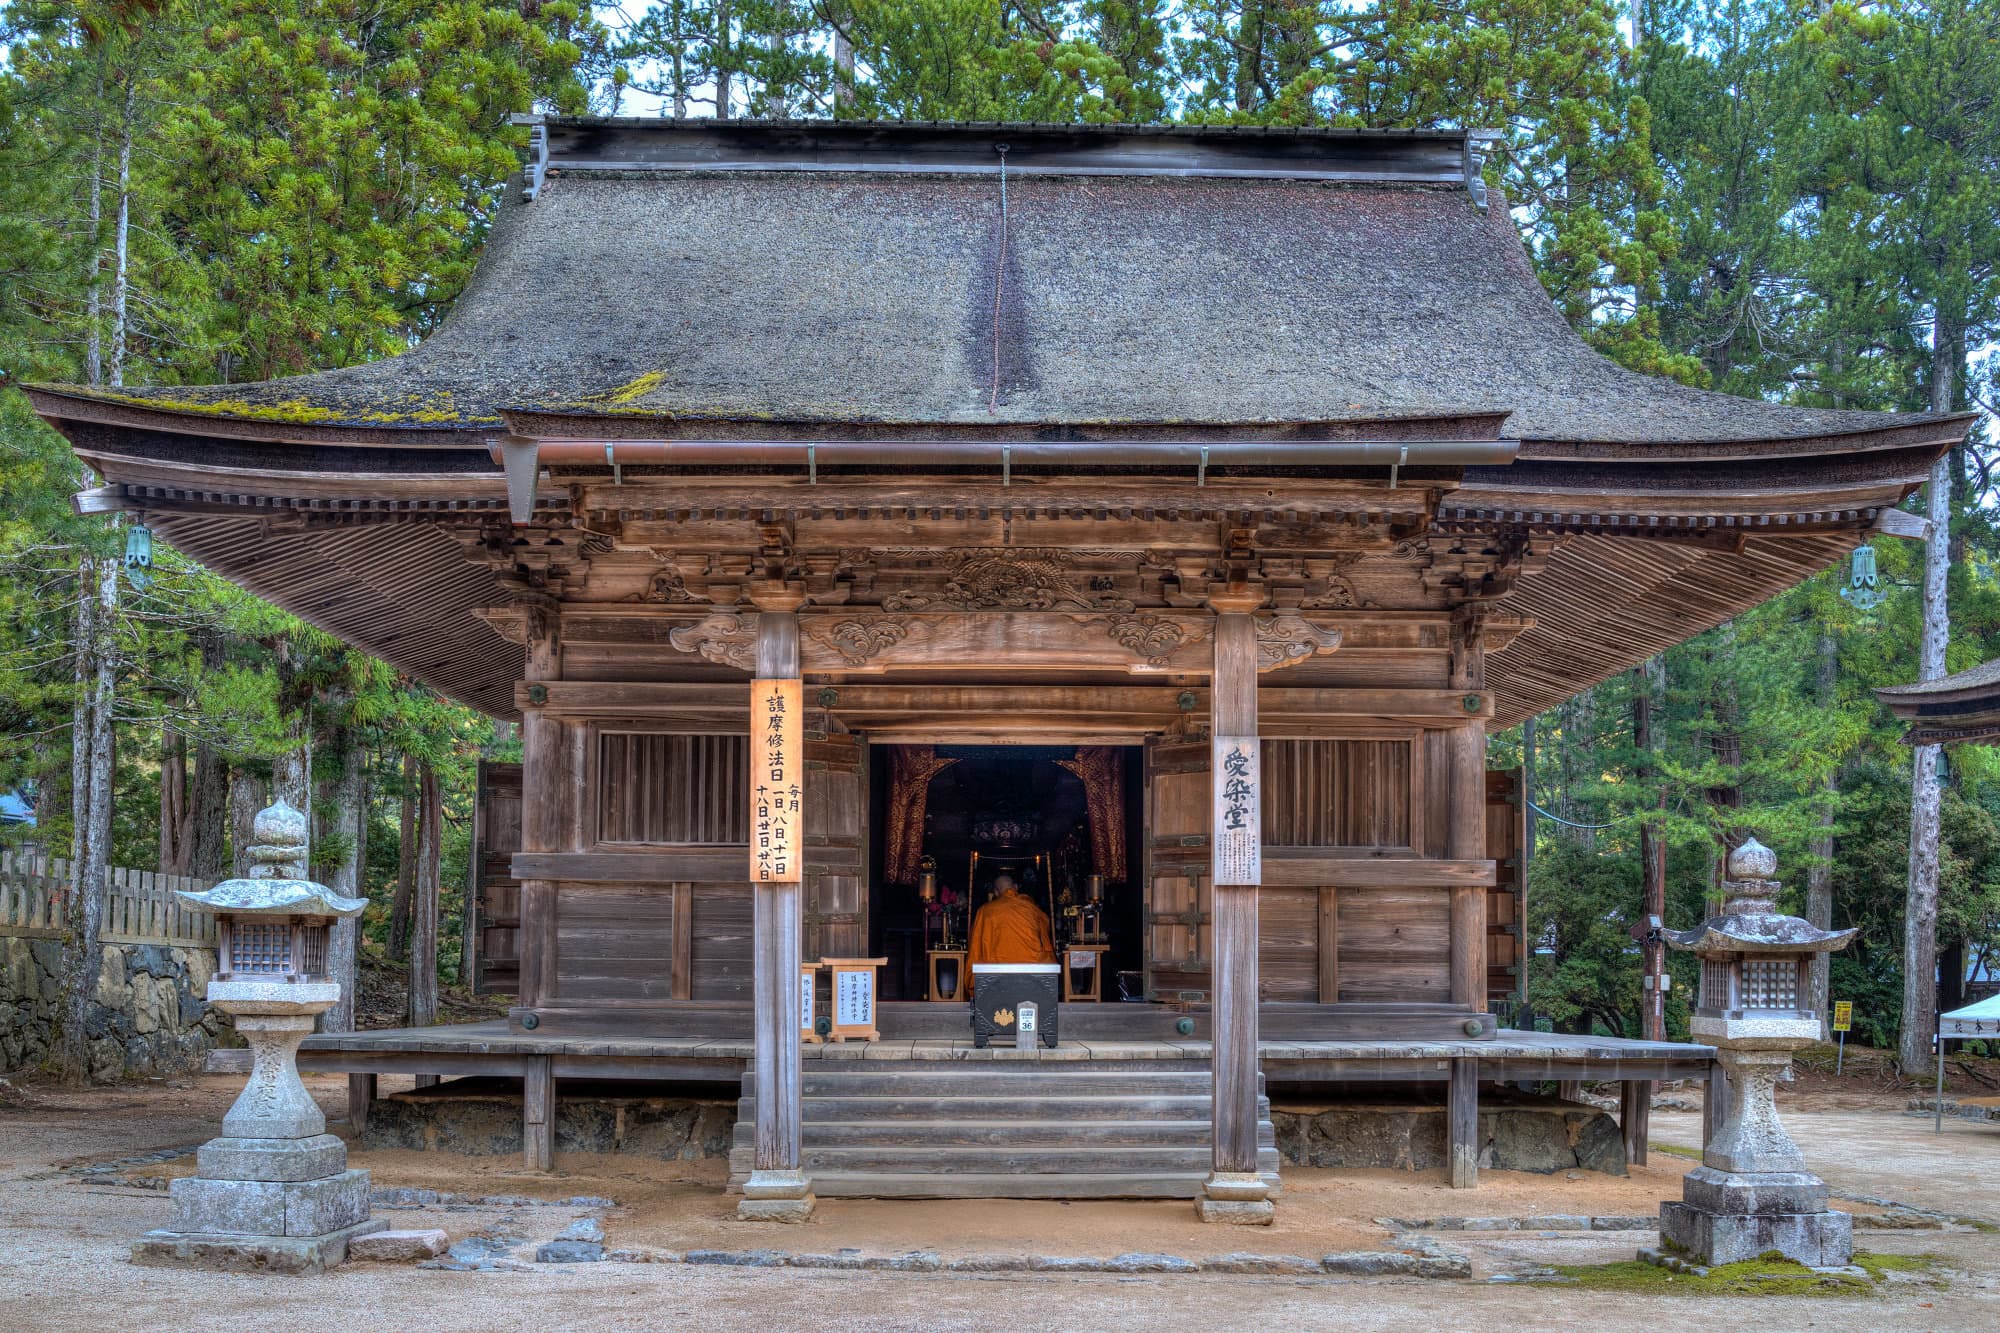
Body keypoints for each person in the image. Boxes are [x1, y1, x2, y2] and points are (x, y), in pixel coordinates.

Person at [967, 873, 1056, 981]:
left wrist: (972, 985)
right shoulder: (1032, 909)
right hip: (1032, 971)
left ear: (995, 892)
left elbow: (975, 950)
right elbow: (1046, 943)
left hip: (994, 975)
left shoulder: (984, 911)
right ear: (1016, 888)